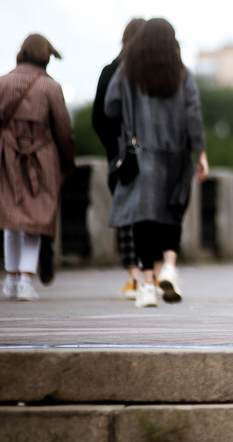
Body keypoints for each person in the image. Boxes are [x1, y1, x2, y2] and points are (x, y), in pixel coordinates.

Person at [104, 18, 209, 307]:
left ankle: (148, 284)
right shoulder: (182, 74)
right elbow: (193, 115)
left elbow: (110, 106)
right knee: (172, 211)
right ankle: (171, 267)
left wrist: (129, 123)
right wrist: (200, 153)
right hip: (176, 156)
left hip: (142, 153)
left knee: (144, 219)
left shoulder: (128, 72)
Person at [0, 34, 75, 301]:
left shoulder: (1, 83)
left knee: (11, 219)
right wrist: (67, 164)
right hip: (41, 158)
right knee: (37, 219)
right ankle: (25, 280)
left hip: (7, 155)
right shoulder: (51, 88)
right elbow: (64, 132)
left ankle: (10, 279)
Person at [91, 17, 146, 300]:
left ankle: (133, 277)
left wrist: (115, 148)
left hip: (120, 156)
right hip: (151, 155)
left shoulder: (109, 71)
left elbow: (98, 118)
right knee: (149, 213)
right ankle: (153, 274)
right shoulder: (154, 71)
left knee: (125, 213)